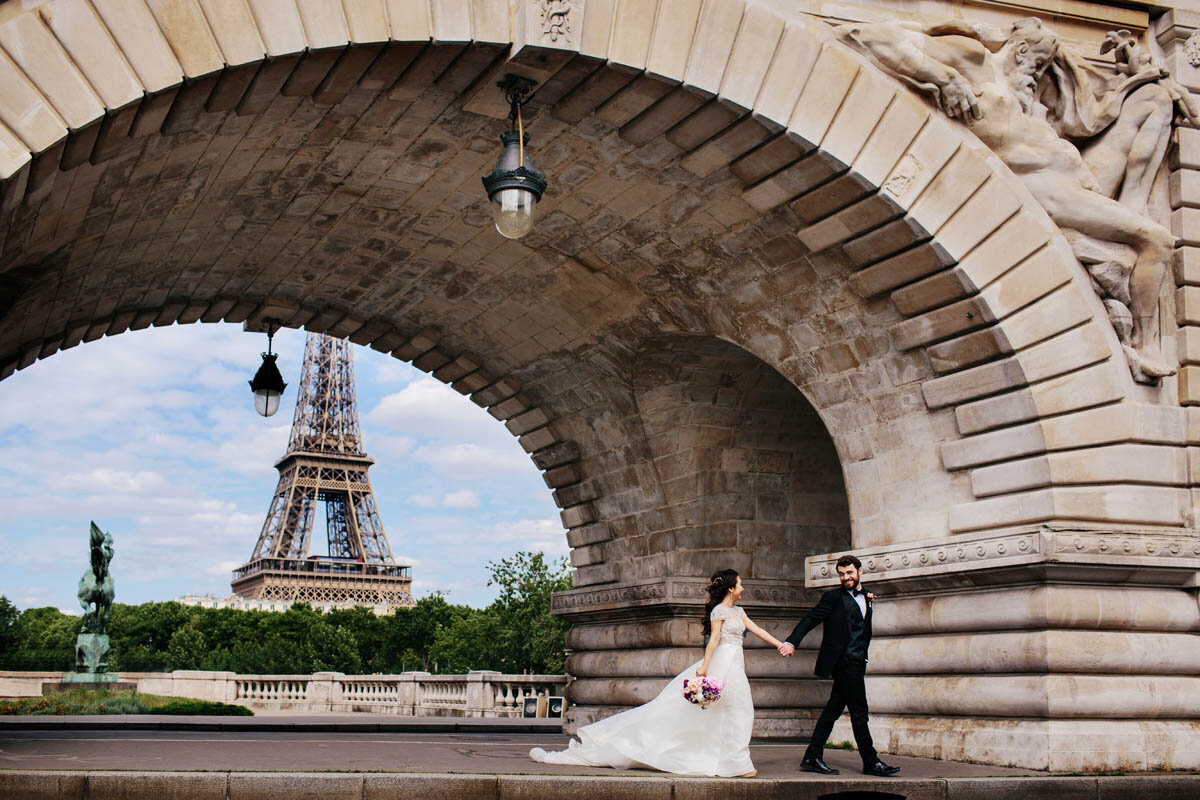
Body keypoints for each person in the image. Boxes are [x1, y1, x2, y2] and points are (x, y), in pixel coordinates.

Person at [836, 17, 1179, 381]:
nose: (1039, 79)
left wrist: (1138, 73)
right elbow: (865, 33)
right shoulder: (975, 62)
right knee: (1156, 239)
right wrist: (943, 77)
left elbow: (1089, 122)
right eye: (1037, 66)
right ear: (1019, 50)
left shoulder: (1027, 102)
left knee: (1154, 99)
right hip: (1051, 192)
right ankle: (1146, 344)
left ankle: (1133, 207)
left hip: (1080, 179)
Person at [530, 568, 787, 777]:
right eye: (740, 584)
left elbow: (758, 631)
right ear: (731, 588)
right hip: (723, 662)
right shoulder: (719, 611)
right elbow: (714, 640)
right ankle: (733, 762)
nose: (743, 588)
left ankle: (734, 761)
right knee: (720, 710)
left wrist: (780, 645)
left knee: (739, 710)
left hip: (736, 663)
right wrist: (704, 667)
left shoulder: (739, 612)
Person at [778, 554, 899, 777]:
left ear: (860, 572)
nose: (846, 578)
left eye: (850, 573)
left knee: (833, 709)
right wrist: (792, 641)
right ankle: (870, 761)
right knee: (860, 712)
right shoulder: (832, 598)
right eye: (842, 574)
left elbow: (862, 631)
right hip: (844, 663)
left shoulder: (867, 597)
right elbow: (810, 619)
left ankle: (813, 755)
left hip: (857, 661)